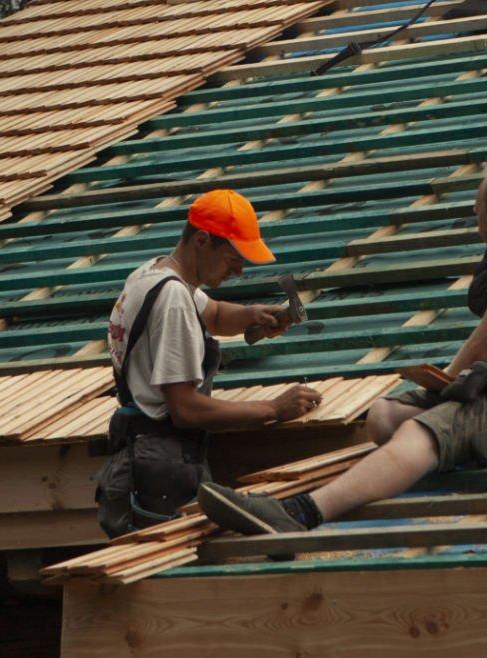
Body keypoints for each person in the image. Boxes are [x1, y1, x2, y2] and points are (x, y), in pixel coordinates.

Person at [194, 154, 487, 538]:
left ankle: (302, 512)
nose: (477, 223)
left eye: (478, 212)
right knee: (385, 416)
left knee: (428, 429)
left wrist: (447, 389)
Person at [94, 189, 324, 537]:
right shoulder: (173, 299)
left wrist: (255, 316)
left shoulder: (153, 274)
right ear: (203, 240)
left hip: (141, 452)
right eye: (233, 257)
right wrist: (273, 408)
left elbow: (213, 313)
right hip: (160, 466)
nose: (240, 269)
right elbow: (185, 409)